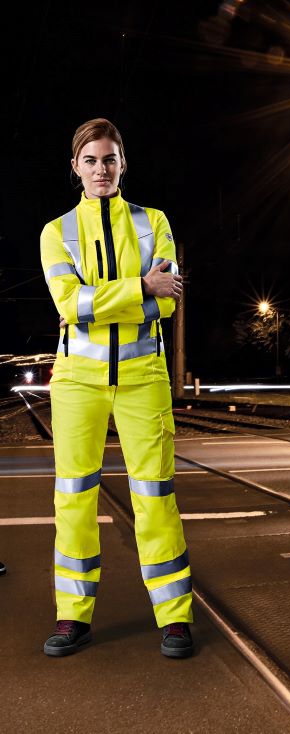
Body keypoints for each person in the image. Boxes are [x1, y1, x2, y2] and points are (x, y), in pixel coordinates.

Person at [40, 118, 194, 658]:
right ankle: (72, 617)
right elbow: (69, 306)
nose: (100, 169)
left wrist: (113, 297)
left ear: (122, 163)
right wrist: (138, 288)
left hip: (142, 380)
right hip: (77, 383)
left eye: (109, 159)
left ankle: (174, 618)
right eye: (90, 160)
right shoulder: (56, 232)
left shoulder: (154, 222)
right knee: (73, 500)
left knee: (155, 497)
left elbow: (168, 300)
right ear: (75, 167)